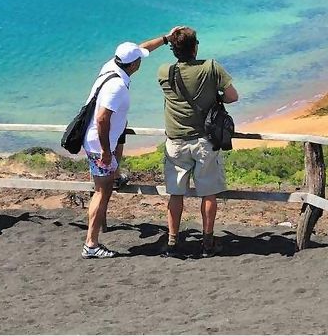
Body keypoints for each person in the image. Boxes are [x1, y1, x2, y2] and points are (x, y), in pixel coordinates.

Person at [80, 32, 175, 259]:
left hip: (100, 140)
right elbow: (102, 119)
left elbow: (143, 48)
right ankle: (91, 244)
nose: (141, 60)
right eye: (139, 59)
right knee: (101, 193)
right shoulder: (117, 88)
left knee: (105, 186)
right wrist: (105, 152)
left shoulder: (112, 65)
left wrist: (166, 38)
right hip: (98, 144)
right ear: (134, 64)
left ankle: (117, 174)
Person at [156, 26, 238, 258]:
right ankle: (208, 242)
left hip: (176, 141)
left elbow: (139, 51)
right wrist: (215, 97)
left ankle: (172, 242)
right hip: (204, 140)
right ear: (196, 47)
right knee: (208, 193)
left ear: (173, 49)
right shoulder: (211, 67)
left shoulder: (164, 71)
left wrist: (165, 38)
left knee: (175, 194)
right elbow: (233, 96)